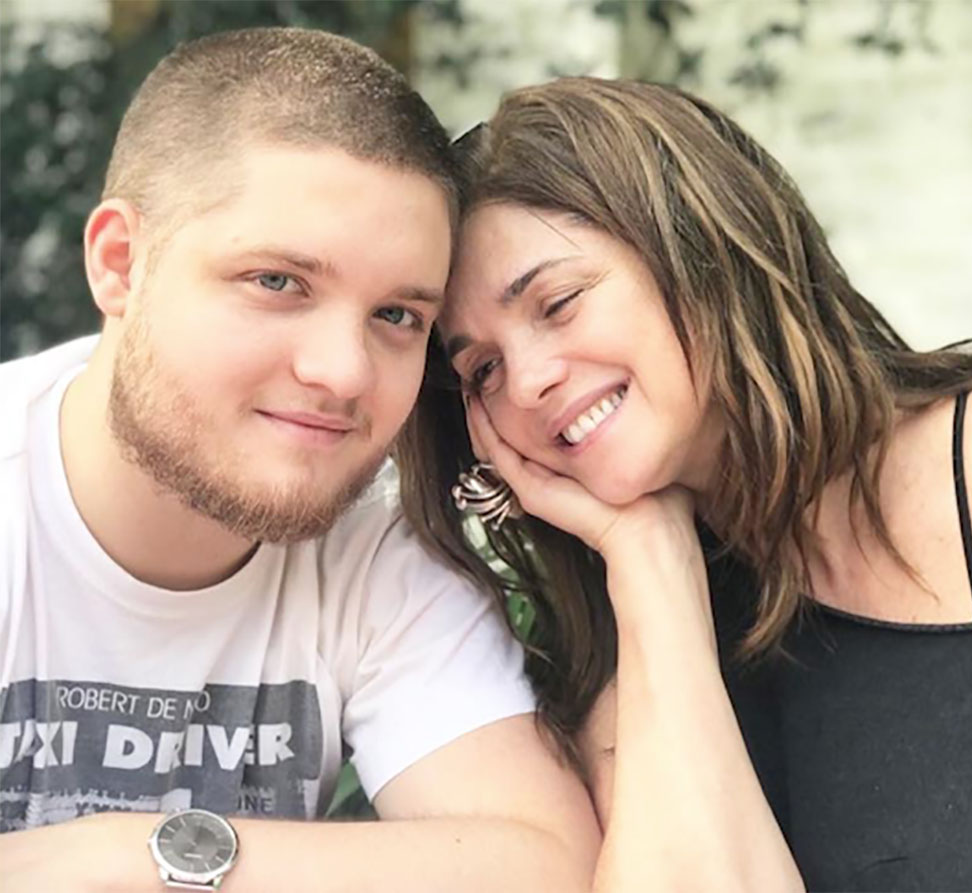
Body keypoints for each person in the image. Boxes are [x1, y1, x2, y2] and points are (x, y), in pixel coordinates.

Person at [0, 29, 601, 892]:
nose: (344, 372)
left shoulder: (376, 541)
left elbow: (538, 861)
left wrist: (125, 855)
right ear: (120, 265)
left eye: (396, 316)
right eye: (278, 282)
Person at [397, 78, 972, 892]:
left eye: (558, 302)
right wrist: (650, 558)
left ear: (697, 248)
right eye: (483, 369)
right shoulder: (622, 647)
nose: (528, 382)